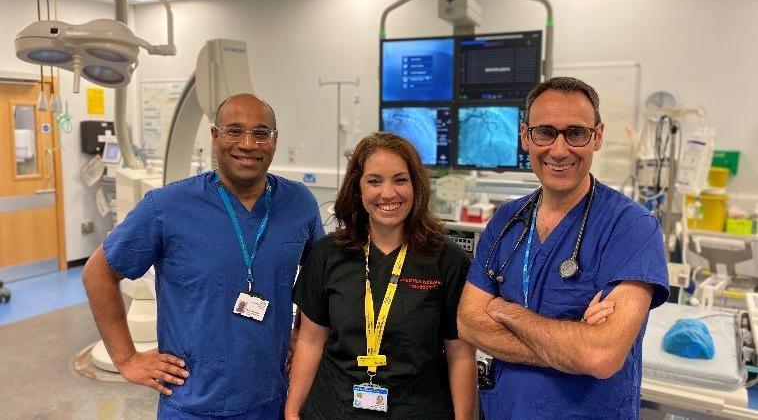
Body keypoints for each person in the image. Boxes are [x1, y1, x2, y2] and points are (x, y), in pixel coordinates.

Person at [82, 94, 324, 418]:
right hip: (192, 404)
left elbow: (319, 279)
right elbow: (98, 272)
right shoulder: (166, 207)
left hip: (272, 398)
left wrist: (300, 333)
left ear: (275, 140)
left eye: (261, 133)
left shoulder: (299, 204)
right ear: (214, 136)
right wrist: (126, 359)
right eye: (234, 131)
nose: (248, 144)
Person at [457, 77, 670, 419]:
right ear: (526, 137)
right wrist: (571, 348)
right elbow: (468, 323)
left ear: (597, 137)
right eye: (545, 132)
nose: (558, 150)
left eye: (575, 132)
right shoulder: (507, 220)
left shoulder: (632, 228)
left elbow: (600, 356)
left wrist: (505, 311)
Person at [285, 132, 477, 419]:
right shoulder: (328, 254)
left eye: (400, 180)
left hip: (417, 410)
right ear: (357, 188)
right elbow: (311, 341)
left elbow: (460, 355)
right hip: (333, 409)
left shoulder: (447, 261)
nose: (388, 193)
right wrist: (292, 412)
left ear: (416, 186)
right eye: (374, 181)